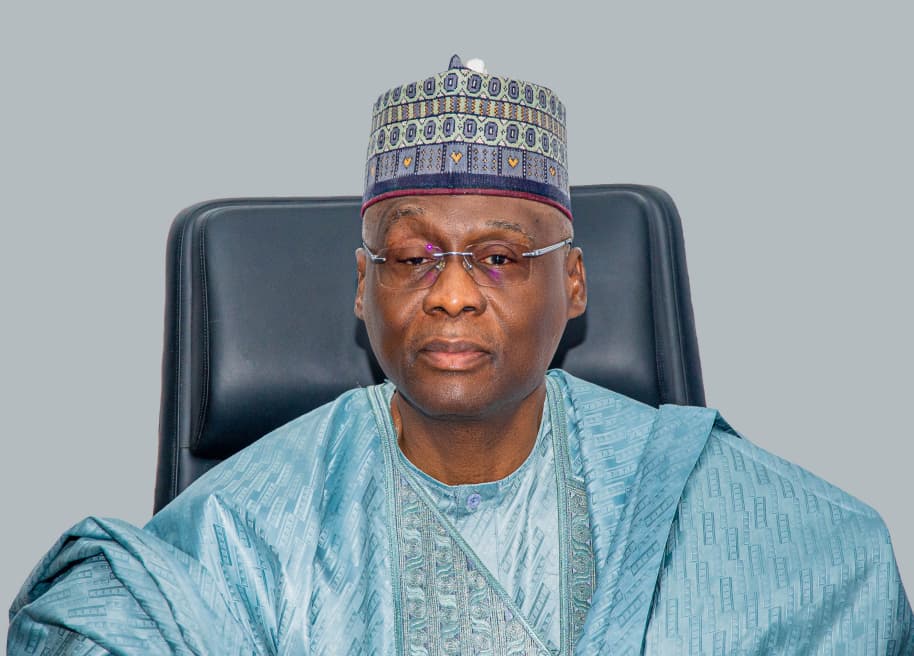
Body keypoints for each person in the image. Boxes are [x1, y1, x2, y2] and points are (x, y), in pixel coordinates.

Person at [8, 56, 912, 655]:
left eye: (500, 258)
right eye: (411, 258)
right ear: (363, 288)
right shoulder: (261, 516)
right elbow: (102, 621)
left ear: (575, 285)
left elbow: (844, 575)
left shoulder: (695, 498)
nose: (450, 294)